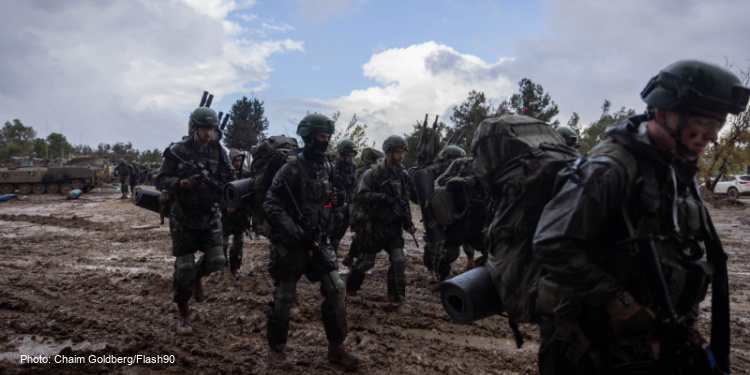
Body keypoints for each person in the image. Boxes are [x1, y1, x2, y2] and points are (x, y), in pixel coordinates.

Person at [532, 60, 749, 374]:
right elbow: (551, 243)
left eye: (718, 126)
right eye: (701, 124)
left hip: (649, 334)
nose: (711, 137)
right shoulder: (610, 168)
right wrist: (618, 303)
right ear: (662, 113)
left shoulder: (675, 166)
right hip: (592, 342)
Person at [263, 113, 360, 367]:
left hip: (319, 239)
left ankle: (336, 347)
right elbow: (271, 203)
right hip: (292, 242)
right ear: (307, 137)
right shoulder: (292, 167)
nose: (325, 142)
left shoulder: (327, 166)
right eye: (320, 137)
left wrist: (336, 201)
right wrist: (296, 233)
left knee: (337, 289)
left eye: (328, 138)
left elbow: (324, 203)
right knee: (285, 296)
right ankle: (276, 350)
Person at [155, 107, 229, 335]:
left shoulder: (218, 151)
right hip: (183, 215)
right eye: (204, 128)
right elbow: (159, 180)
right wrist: (184, 183)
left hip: (210, 213)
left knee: (217, 259)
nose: (209, 133)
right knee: (184, 266)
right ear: (194, 127)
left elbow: (230, 178)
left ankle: (199, 276)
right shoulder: (178, 150)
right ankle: (184, 314)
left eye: (212, 128)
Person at [345, 135, 417, 305]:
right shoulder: (373, 174)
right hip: (373, 228)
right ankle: (351, 287)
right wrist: (383, 198)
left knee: (399, 261)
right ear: (388, 152)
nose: (401, 156)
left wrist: (408, 221)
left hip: (393, 227)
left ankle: (396, 297)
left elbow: (404, 200)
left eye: (402, 152)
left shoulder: (402, 174)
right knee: (366, 263)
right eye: (398, 152)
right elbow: (360, 196)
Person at [433, 155, 488, 280]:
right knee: (450, 254)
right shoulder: (462, 164)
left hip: (481, 221)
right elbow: (443, 181)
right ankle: (442, 277)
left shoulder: (494, 167)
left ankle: (483, 280)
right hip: (460, 220)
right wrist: (462, 180)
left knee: (493, 253)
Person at [420, 145, 465, 281]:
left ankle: (443, 272)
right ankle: (430, 268)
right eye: (454, 159)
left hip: (453, 214)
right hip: (436, 212)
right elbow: (425, 192)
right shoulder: (433, 171)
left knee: (453, 249)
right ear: (447, 160)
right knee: (434, 243)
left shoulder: (463, 173)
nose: (458, 162)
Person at [222, 149, 250, 277]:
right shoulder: (224, 173)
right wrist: (226, 205)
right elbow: (219, 192)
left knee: (239, 242)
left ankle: (235, 268)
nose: (238, 163)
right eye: (235, 160)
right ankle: (221, 266)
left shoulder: (245, 174)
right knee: (223, 242)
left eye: (239, 160)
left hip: (240, 215)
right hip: (226, 214)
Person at [329, 139, 358, 253]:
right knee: (331, 235)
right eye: (349, 155)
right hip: (332, 206)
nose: (351, 158)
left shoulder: (352, 167)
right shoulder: (331, 167)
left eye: (353, 155)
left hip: (347, 205)